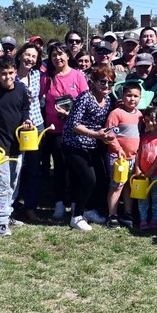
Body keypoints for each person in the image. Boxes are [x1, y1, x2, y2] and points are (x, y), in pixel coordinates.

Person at [61, 64, 116, 231]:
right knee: (88, 179)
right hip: (74, 144)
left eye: (110, 83)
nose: (106, 86)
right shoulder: (85, 97)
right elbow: (74, 124)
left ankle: (89, 209)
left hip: (94, 145)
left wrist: (107, 134)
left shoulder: (108, 100)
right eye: (103, 82)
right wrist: (95, 134)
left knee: (101, 178)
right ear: (93, 82)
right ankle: (76, 216)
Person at [40, 42, 89, 220]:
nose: (58, 58)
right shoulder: (47, 77)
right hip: (55, 130)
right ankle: (59, 203)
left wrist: (70, 113)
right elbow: (38, 98)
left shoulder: (78, 76)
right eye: (53, 55)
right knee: (59, 167)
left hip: (75, 130)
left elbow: (86, 102)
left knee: (75, 168)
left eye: (61, 54)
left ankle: (75, 203)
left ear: (68, 56)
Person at [0, 56, 33, 236]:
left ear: (16, 72)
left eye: (11, 73)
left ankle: (9, 211)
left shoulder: (21, 89)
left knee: (14, 181)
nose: (8, 77)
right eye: (3, 74)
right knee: (1, 183)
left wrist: (26, 120)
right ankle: (1, 219)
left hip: (18, 144)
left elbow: (24, 109)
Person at [105, 81, 142, 229]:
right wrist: (117, 148)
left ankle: (127, 213)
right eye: (129, 95)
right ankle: (112, 215)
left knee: (128, 186)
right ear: (122, 96)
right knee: (116, 186)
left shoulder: (139, 115)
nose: (132, 99)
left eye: (135, 96)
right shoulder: (116, 113)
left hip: (132, 158)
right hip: (118, 158)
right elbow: (110, 134)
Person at [15, 42, 45, 222]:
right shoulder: (11, 75)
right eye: (27, 55)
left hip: (36, 128)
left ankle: (30, 207)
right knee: (15, 168)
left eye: (34, 57)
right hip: (17, 128)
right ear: (20, 56)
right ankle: (11, 207)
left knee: (33, 169)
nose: (30, 59)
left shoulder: (37, 75)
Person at [136, 106, 157, 230]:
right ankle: (143, 219)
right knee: (142, 197)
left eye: (153, 120)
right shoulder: (143, 136)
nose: (150, 123)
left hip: (156, 174)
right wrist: (138, 168)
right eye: (147, 120)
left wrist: (151, 170)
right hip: (142, 175)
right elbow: (138, 153)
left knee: (156, 197)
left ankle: (155, 218)